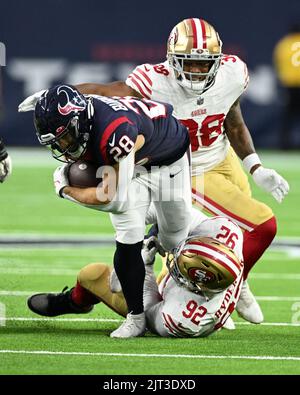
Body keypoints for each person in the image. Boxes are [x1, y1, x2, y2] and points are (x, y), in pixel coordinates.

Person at [18, 18, 290, 325]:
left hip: (222, 158)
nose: (197, 71)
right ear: (172, 59)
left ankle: (92, 289)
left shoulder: (233, 72)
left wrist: (254, 166)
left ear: (218, 60)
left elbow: (234, 120)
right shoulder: (154, 81)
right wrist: (56, 96)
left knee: (216, 248)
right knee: (258, 228)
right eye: (189, 63)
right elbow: (109, 91)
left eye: (204, 64)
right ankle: (224, 288)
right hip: (187, 168)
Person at [30, 84, 192, 338]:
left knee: (174, 240)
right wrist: (44, 96)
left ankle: (153, 237)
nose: (63, 146)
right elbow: (97, 90)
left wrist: (66, 190)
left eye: (65, 136)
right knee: (127, 233)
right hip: (129, 161)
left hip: (167, 158)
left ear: (80, 121)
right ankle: (135, 318)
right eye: (57, 141)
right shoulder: (85, 111)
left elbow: (112, 200)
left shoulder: (116, 133)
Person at [27, 207, 244, 338]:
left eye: (180, 266)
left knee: (93, 274)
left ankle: (76, 301)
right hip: (200, 293)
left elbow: (144, 311)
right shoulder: (227, 234)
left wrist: (146, 267)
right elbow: (180, 211)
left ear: (194, 284)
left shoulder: (181, 319)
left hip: (171, 307)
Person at [273, 23, 300, 150]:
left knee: (288, 117)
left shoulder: (284, 44)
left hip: (289, 86)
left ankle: (284, 144)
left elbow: (278, 64)